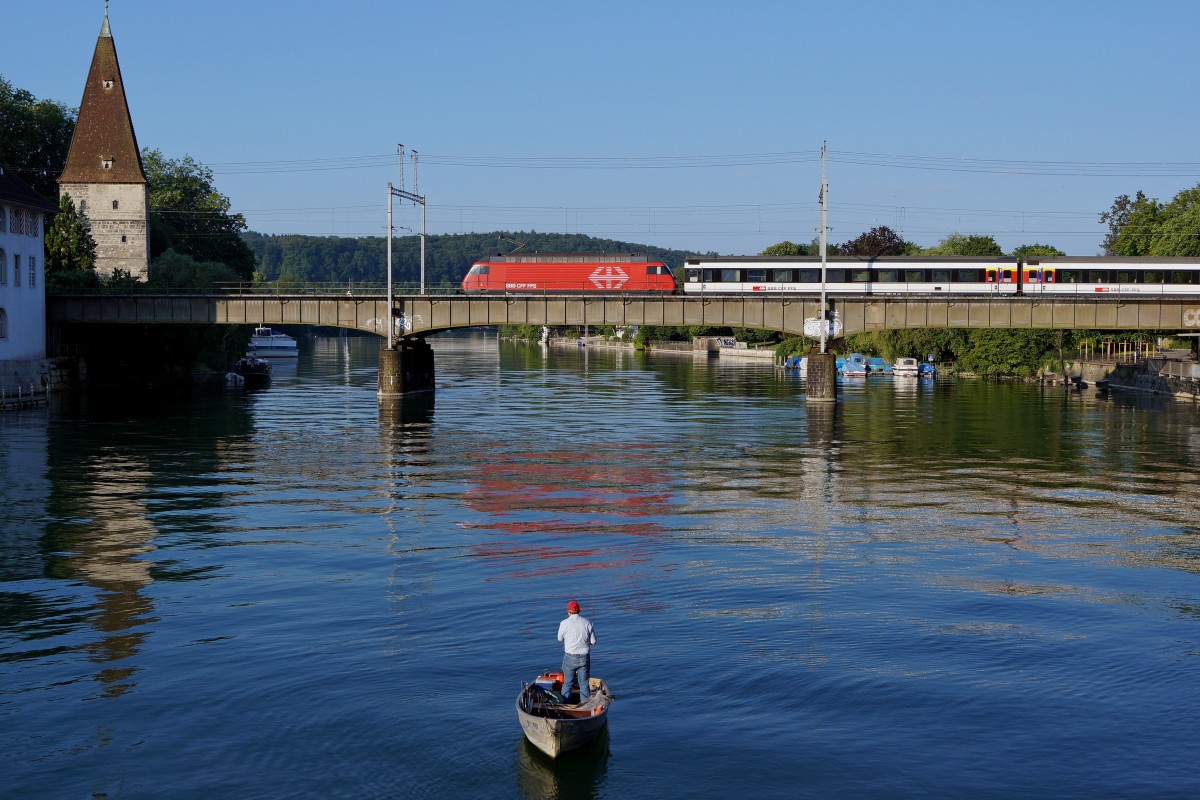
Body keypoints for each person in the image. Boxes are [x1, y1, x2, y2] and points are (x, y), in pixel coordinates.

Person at [557, 600, 596, 703]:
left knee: (567, 684)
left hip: (569, 657)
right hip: (584, 657)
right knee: (584, 684)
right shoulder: (588, 623)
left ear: (568, 611)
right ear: (579, 610)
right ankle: (585, 707)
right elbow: (593, 642)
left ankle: (565, 706)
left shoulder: (564, 623)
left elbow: (560, 639)